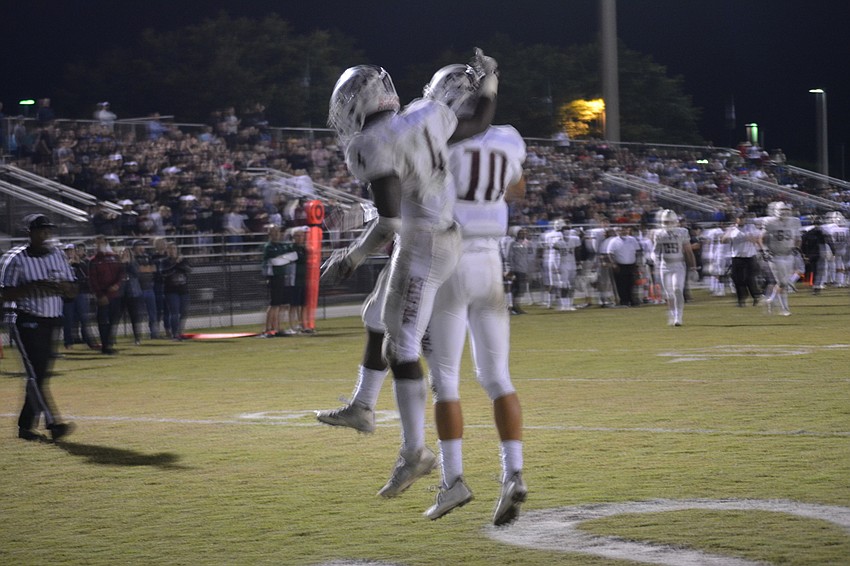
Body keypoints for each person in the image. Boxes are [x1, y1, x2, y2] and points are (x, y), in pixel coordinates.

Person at [319, 50, 498, 498]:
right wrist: (491, 81)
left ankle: (414, 452)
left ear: (358, 105)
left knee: (401, 346)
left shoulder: (371, 144)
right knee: (376, 316)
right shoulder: (428, 112)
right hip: (436, 236)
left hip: (423, 245)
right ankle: (363, 405)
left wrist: (351, 258)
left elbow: (389, 223)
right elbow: (475, 124)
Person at [418, 63, 527, 525]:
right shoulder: (509, 137)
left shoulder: (440, 137)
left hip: (451, 259)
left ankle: (453, 480)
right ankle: (514, 474)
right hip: (491, 264)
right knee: (498, 377)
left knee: (444, 379)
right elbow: (517, 188)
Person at [0, 214, 77, 441]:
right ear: (29, 233)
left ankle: (25, 426)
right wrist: (32, 287)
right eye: (40, 230)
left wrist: (64, 287)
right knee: (37, 373)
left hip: (51, 320)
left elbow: (73, 289)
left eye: (48, 231)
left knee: (39, 376)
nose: (45, 235)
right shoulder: (15, 258)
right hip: (26, 319)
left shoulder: (57, 256)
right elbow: (4, 294)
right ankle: (54, 424)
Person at [650, 210, 696, 326]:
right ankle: (672, 312)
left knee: (677, 289)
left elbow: (688, 251)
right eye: (665, 221)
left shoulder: (682, 232)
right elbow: (655, 251)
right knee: (669, 293)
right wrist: (655, 259)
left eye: (670, 221)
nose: (668, 224)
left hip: (679, 265)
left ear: (675, 221)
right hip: (665, 265)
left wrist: (693, 268)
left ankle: (678, 316)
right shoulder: (659, 233)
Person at [759, 202, 801, 316]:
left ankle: (771, 300)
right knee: (782, 282)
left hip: (789, 254)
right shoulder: (769, 221)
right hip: (775, 255)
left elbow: (797, 238)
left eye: (786, 210)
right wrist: (765, 250)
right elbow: (762, 238)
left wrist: (797, 248)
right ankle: (784, 309)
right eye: (782, 210)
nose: (785, 212)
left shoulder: (794, 221)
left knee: (783, 283)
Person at [88, 235, 125, 354]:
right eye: (97, 243)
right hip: (103, 296)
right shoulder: (93, 261)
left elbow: (121, 273)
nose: (99, 245)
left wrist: (117, 285)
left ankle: (109, 343)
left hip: (115, 295)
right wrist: (100, 295)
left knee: (113, 321)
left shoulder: (114, 257)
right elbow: (93, 280)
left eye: (101, 243)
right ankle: (105, 345)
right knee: (103, 322)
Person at [260, 224, 298, 337]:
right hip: (273, 277)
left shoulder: (281, 246)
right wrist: (285, 258)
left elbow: (293, 256)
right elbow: (277, 261)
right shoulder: (269, 246)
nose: (276, 234)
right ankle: (268, 328)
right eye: (274, 231)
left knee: (279, 304)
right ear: (269, 233)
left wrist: (284, 258)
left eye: (277, 231)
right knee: (274, 304)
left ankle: (276, 327)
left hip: (281, 276)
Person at [722, 214, 762, 307]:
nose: (742, 220)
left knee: (749, 278)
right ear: (736, 219)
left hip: (749, 256)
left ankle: (755, 296)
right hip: (737, 257)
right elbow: (723, 240)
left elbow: (756, 239)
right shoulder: (732, 229)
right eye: (740, 218)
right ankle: (741, 300)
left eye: (743, 218)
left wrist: (748, 237)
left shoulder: (750, 228)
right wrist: (728, 233)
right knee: (737, 279)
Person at [160, 242, 191, 340]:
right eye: (170, 249)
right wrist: (176, 264)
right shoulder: (164, 261)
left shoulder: (183, 260)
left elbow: (188, 269)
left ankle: (180, 331)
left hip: (183, 290)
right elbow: (165, 272)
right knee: (174, 312)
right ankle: (175, 334)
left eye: (174, 248)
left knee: (184, 312)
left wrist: (179, 264)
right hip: (171, 291)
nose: (172, 251)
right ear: (167, 250)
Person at [607, 226, 641, 307]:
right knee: (621, 284)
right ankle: (624, 301)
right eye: (620, 230)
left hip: (631, 265)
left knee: (631, 283)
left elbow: (637, 251)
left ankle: (632, 300)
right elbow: (610, 253)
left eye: (623, 230)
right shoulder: (614, 241)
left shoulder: (632, 239)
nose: (622, 231)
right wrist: (613, 264)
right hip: (620, 265)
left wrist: (637, 263)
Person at [118, 245, 144, 344]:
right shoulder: (117, 264)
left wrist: (128, 263)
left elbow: (136, 274)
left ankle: (137, 338)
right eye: (122, 252)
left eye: (126, 252)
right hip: (120, 294)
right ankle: (111, 339)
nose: (124, 254)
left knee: (135, 317)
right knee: (116, 316)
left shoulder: (133, 263)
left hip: (133, 293)